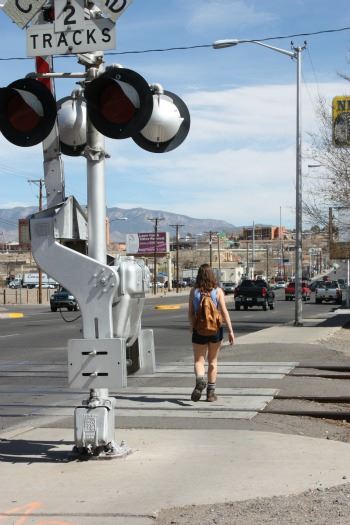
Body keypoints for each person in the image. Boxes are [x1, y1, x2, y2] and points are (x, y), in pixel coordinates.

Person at [188, 264, 234, 402]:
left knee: (198, 361)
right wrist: (230, 330)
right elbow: (224, 312)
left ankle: (200, 379)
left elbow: (190, 313)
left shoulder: (193, 291)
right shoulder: (218, 291)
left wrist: (192, 326)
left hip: (199, 330)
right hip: (215, 330)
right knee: (213, 361)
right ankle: (210, 393)